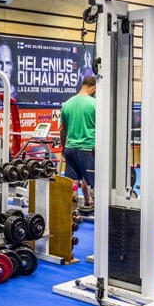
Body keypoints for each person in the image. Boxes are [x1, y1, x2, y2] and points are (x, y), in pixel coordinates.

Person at [59, 75, 97, 212]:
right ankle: (101, 216)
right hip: (88, 149)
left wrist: (64, 147)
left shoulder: (67, 103)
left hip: (70, 148)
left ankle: (73, 213)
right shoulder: (94, 104)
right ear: (94, 87)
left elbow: (62, 129)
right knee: (96, 183)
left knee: (73, 183)